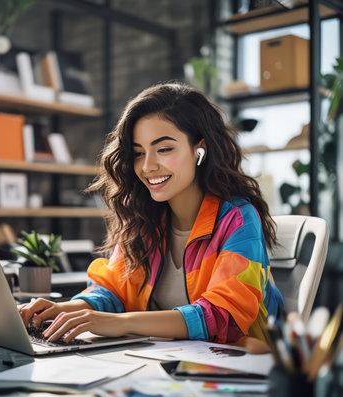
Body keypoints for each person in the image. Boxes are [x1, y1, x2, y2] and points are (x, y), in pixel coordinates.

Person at [19, 82, 283, 344]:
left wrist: (120, 323)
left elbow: (223, 317)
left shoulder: (238, 219)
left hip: (237, 368)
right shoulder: (144, 219)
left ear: (199, 150)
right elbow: (113, 292)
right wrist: (65, 310)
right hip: (166, 364)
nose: (147, 166)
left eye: (164, 149)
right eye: (138, 153)